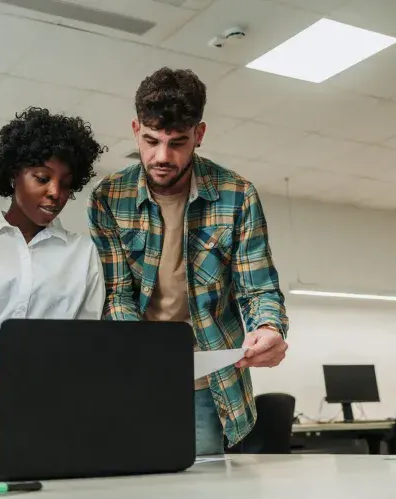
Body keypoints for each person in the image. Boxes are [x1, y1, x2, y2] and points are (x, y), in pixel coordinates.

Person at [87, 67, 289, 455]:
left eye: (177, 142)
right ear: (135, 130)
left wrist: (268, 326)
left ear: (199, 134)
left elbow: (257, 287)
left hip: (209, 386)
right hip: (137, 376)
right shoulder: (109, 197)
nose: (162, 156)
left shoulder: (237, 195)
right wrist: (146, 354)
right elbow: (117, 296)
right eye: (151, 141)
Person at [0, 107, 107, 469]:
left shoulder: (83, 253)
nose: (54, 193)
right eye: (41, 178)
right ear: (14, 174)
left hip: (51, 411)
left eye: (65, 182)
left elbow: (88, 336)